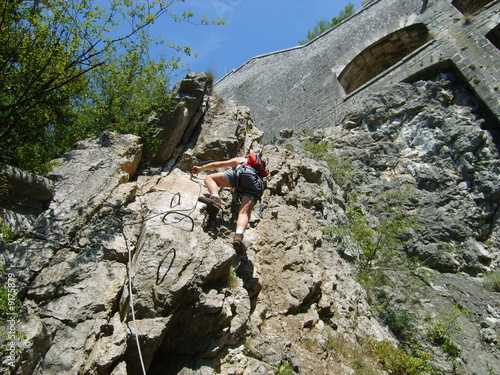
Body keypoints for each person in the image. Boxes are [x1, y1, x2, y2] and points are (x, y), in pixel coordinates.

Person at [192, 155, 269, 252]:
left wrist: (201, 168)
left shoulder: (242, 160)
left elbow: (217, 164)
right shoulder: (259, 173)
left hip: (242, 176)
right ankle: (238, 236)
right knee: (243, 213)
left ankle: (215, 199)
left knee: (209, 178)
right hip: (255, 185)